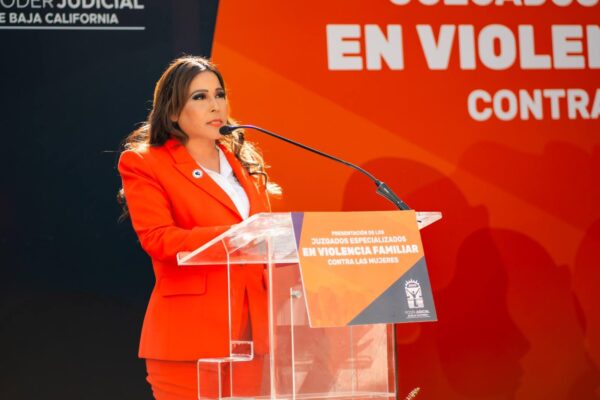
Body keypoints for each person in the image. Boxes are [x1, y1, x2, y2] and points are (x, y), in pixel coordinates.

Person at [117, 55, 279, 399]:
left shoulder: (245, 163)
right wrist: (238, 238)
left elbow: (266, 242)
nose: (215, 105)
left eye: (219, 94)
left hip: (254, 338)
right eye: (199, 97)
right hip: (189, 338)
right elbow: (158, 239)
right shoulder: (145, 162)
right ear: (174, 111)